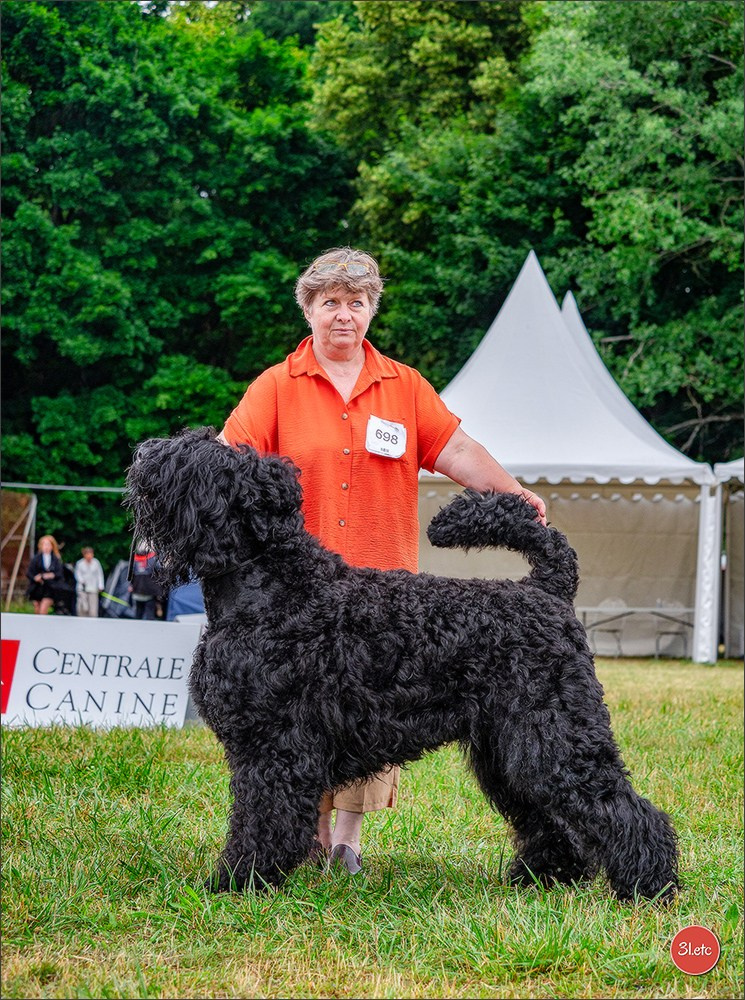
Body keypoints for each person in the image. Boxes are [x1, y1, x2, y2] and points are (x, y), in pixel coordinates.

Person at [218, 246, 546, 874]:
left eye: (358, 302)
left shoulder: (405, 386)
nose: (345, 315)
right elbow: (226, 462)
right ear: (308, 309)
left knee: (374, 713)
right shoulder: (275, 387)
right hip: (302, 588)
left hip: (383, 580)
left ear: (372, 310)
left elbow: (457, 451)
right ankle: (302, 836)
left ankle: (346, 841)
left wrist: (514, 493)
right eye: (331, 302)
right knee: (300, 715)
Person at [26, 535, 64, 615]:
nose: (46, 547)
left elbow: (59, 573)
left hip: (50, 588)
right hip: (37, 588)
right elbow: (29, 572)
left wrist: (51, 575)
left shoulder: (56, 559)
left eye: (48, 545)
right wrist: (35, 578)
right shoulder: (36, 559)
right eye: (45, 544)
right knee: (37, 609)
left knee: (43, 609)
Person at [129, 542, 163, 620]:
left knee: (138, 612)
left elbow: (132, 574)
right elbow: (159, 571)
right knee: (149, 613)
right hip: (149, 590)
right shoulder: (153, 558)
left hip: (137, 589)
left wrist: (131, 585)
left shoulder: (135, 560)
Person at [74, 546, 105, 618]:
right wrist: (82, 581)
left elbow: (99, 575)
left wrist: (101, 585)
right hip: (82, 589)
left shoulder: (96, 562)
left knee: (93, 608)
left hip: (93, 588)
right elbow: (77, 574)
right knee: (83, 607)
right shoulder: (80, 563)